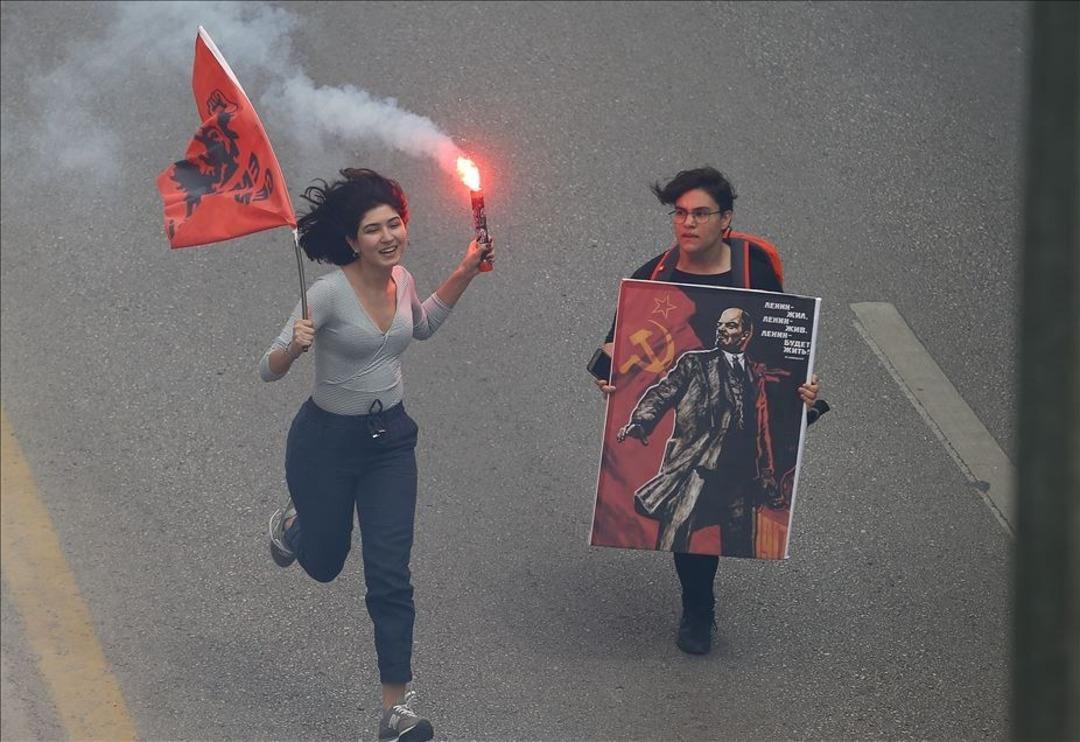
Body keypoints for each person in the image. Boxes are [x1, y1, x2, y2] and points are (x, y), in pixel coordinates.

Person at [259, 168, 492, 741]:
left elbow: (424, 327)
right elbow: (267, 368)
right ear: (351, 241)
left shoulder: (402, 279)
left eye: (394, 224)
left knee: (390, 574)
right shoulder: (328, 295)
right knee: (326, 563)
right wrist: (294, 346)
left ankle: (397, 709)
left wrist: (465, 270)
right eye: (373, 230)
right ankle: (297, 524)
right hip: (325, 445)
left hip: (390, 443)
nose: (389, 236)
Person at [595, 167, 820, 656]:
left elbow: (786, 343)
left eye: (700, 214)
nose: (687, 224)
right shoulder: (652, 278)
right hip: (696, 454)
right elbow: (613, 354)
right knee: (688, 534)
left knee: (741, 530)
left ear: (726, 220)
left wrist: (803, 392)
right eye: (679, 214)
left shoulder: (754, 265)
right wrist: (614, 387)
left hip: (745, 455)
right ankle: (698, 608)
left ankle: (703, 597)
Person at [617, 307, 779, 556]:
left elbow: (762, 426)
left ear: (745, 334)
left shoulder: (754, 374)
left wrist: (766, 470)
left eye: (730, 326)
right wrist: (641, 421)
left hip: (740, 472)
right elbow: (663, 392)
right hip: (696, 464)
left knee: (739, 543)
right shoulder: (696, 363)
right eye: (720, 324)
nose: (722, 329)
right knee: (675, 533)